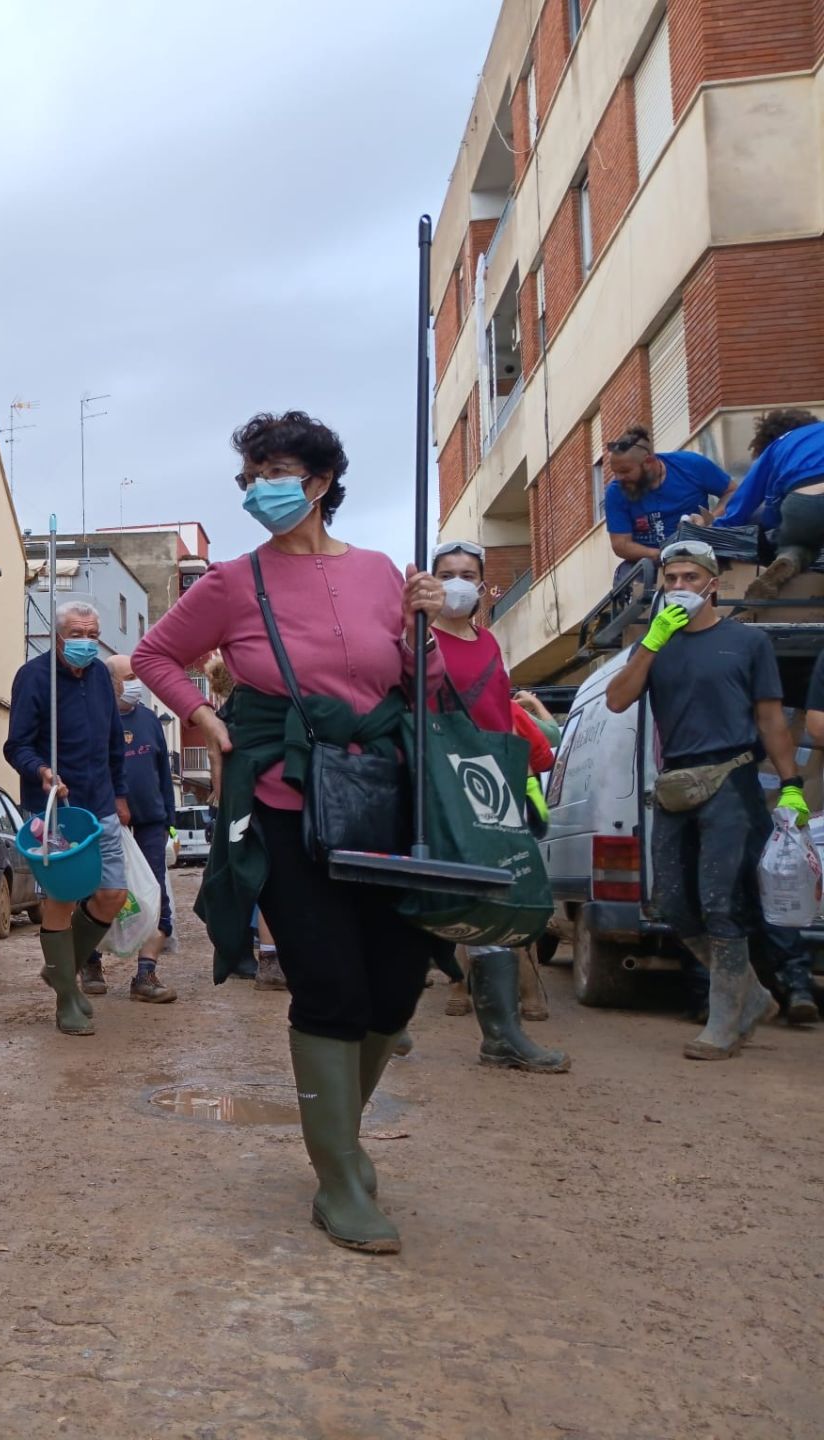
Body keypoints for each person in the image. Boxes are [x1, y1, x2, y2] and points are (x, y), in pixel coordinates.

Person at [134, 410, 444, 1255]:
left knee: (395, 985)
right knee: (331, 986)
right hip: (283, 804)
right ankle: (340, 1174)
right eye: (248, 476)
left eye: (272, 470)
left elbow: (426, 688)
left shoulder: (384, 572)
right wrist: (204, 716)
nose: (256, 489)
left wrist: (432, 625)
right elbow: (155, 656)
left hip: (385, 800)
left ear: (320, 481)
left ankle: (342, 1135)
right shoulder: (234, 581)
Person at [605, 539, 808, 1057]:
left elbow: (770, 718)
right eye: (670, 579)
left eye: (689, 579)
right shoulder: (655, 644)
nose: (678, 588)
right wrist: (652, 641)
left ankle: (723, 1023)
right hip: (676, 781)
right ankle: (751, 994)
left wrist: (791, 787)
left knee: (722, 902)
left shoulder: (746, 642)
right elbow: (617, 699)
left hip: (733, 778)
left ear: (712, 584)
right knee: (672, 902)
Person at [427, 540, 568, 1074]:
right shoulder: (417, 638)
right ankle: (381, 1023)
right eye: (447, 573)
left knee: (493, 899)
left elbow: (497, 715)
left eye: (468, 574)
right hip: (437, 780)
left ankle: (502, 1035)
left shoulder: (488, 643)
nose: (457, 582)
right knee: (419, 895)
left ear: (484, 587)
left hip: (490, 782)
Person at [5, 600, 131, 1036]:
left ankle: (61, 968)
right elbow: (16, 745)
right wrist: (41, 771)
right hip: (54, 810)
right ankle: (66, 997)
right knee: (61, 898)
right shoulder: (34, 678)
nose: (86, 643)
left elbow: (114, 742)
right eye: (77, 635)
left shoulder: (101, 678)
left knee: (112, 894)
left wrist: (120, 794)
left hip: (100, 804)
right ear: (57, 637)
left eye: (92, 635)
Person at [88, 654, 177, 1002]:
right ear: (111, 683)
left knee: (154, 898)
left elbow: (162, 773)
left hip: (151, 823)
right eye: (129, 676)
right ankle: (90, 964)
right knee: (99, 895)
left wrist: (168, 817)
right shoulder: (94, 720)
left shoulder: (151, 721)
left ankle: (145, 974)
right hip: (106, 824)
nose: (137, 681)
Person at [714, 409, 824, 602]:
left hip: (802, 505)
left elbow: (745, 500)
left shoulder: (778, 446)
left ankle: (790, 556)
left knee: (797, 544)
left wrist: (716, 531)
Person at [603, 425, 734, 581]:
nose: (618, 478)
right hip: (652, 562)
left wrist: (709, 519)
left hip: (699, 550)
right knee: (629, 581)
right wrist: (662, 555)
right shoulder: (615, 491)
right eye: (615, 472)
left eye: (625, 471)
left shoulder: (691, 465)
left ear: (649, 461)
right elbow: (621, 545)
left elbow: (733, 492)